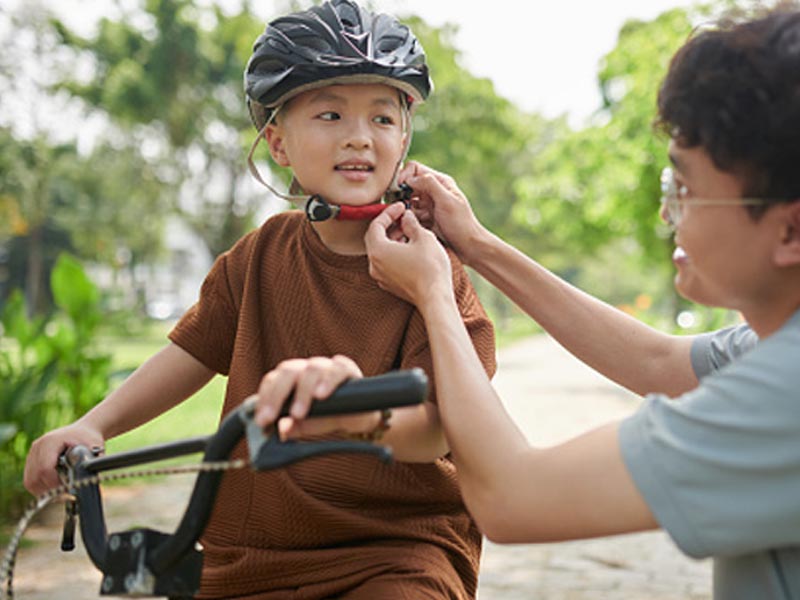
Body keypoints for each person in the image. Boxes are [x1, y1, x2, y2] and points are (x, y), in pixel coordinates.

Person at [251, 4, 800, 599]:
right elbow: (659, 366)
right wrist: (477, 245)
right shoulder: (774, 349)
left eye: (685, 189)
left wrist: (435, 292)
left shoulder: (787, 395)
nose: (667, 213)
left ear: (790, 231)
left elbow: (512, 498)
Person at [23, 2, 496, 599]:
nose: (358, 136)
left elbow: (438, 431)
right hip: (248, 558)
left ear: (404, 137)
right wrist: (94, 423)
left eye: (382, 118)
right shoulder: (259, 256)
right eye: (330, 113)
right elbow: (191, 352)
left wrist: (351, 413)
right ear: (277, 142)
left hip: (393, 554)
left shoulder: (432, 270)